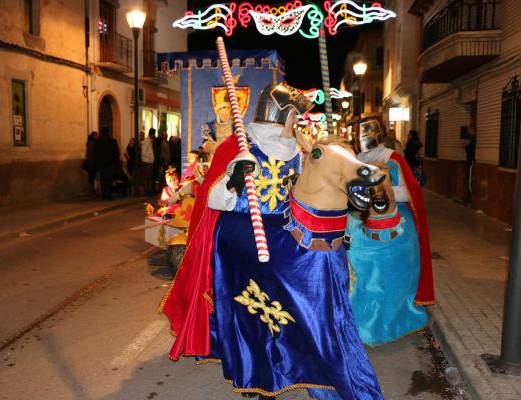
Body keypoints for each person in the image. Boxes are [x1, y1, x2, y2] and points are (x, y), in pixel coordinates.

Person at [161, 83, 384, 400]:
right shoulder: (241, 147)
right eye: (295, 116)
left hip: (280, 232)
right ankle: (254, 370)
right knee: (252, 309)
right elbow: (212, 198)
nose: (299, 123)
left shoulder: (298, 149)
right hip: (240, 233)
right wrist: (234, 179)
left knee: (294, 290)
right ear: (283, 114)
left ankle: (304, 351)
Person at [347, 119, 435, 344]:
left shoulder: (393, 158)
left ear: (378, 134)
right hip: (361, 221)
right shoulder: (353, 160)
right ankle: (358, 321)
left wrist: (383, 191)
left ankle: (394, 319)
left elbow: (408, 192)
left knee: (397, 275)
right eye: (358, 134)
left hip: (397, 225)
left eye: (365, 134)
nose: (362, 138)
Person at [94, 129, 120, 200]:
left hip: (101, 164)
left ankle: (104, 195)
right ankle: (109, 195)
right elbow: (116, 152)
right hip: (110, 164)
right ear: (108, 133)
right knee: (109, 180)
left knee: (103, 180)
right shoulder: (112, 141)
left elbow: (95, 152)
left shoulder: (98, 142)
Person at [463, 125, 476, 204]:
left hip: (471, 162)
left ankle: (469, 197)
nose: (468, 132)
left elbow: (471, 150)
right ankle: (468, 197)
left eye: (469, 130)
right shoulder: (472, 139)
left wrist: (467, 146)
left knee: (469, 179)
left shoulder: (474, 139)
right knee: (468, 179)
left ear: (472, 130)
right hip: (469, 162)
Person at [141, 129, 155, 196]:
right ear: (152, 134)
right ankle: (147, 191)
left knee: (149, 177)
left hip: (149, 162)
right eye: (154, 134)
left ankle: (148, 191)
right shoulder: (147, 141)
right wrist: (150, 158)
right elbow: (143, 152)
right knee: (147, 178)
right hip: (147, 162)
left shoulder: (149, 141)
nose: (154, 136)